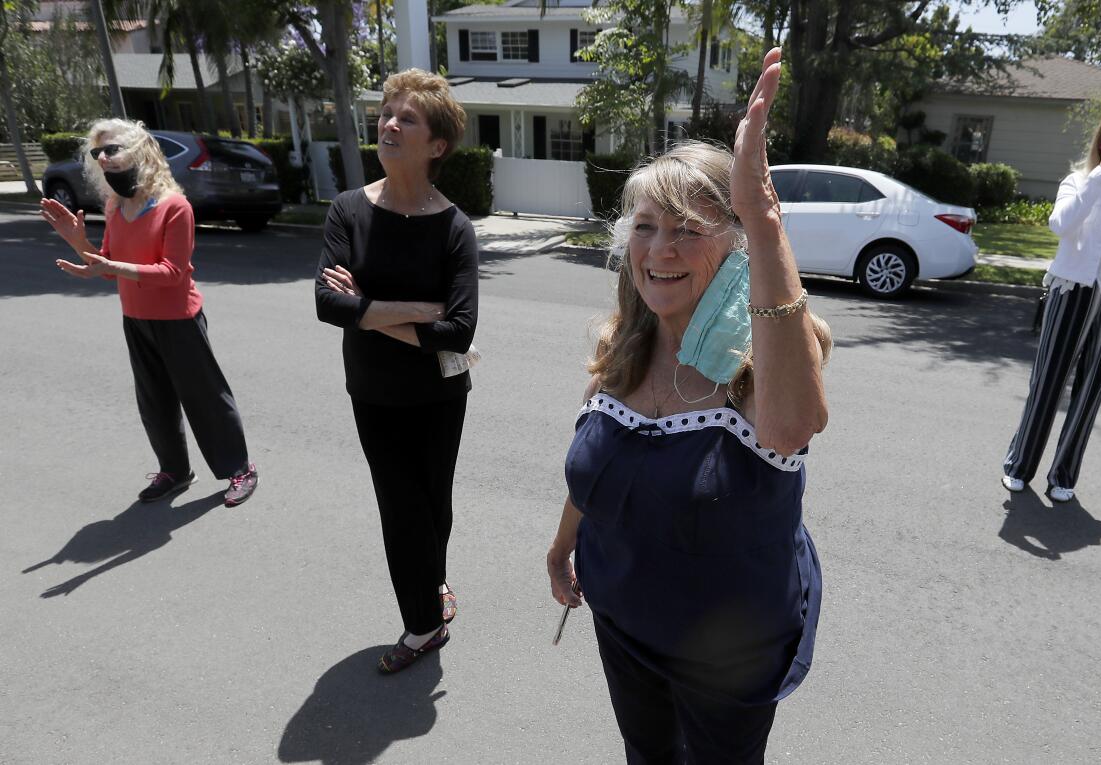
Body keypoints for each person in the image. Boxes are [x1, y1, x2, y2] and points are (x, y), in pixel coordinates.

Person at [545, 49, 831, 763]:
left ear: (734, 247)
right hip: (620, 620)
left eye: (687, 228)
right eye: (644, 226)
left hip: (726, 659)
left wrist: (762, 217)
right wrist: (561, 547)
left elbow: (792, 424)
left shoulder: (767, 357)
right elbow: (595, 468)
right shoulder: (623, 347)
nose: (659, 248)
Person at [315, 69, 478, 674]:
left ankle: (431, 585)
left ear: (436, 144)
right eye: (387, 113)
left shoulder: (454, 228)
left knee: (434, 501)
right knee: (400, 505)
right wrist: (412, 311)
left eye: (407, 118)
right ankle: (422, 626)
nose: (388, 123)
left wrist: (368, 310)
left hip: (440, 392)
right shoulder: (348, 211)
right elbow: (328, 304)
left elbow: (458, 331)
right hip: (375, 392)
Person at [40, 119, 258, 507]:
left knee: (205, 398)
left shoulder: (175, 207)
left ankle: (240, 468)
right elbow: (106, 265)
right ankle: (174, 470)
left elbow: (172, 273)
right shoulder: (114, 206)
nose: (103, 158)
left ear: (140, 150)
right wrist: (77, 243)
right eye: (97, 153)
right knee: (154, 402)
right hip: (136, 317)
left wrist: (112, 267)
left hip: (179, 318)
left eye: (112, 149)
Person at [1002, 106, 1101, 503]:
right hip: (1072, 293)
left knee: (1090, 391)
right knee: (1047, 382)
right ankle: (1020, 465)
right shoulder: (1079, 181)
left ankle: (1064, 474)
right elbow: (1061, 224)